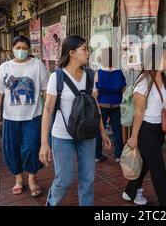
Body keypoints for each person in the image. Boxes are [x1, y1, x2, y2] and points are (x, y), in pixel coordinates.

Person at [39, 35, 111, 206]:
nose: (88, 53)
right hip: (62, 135)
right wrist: (44, 142)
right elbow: (47, 110)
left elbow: (95, 106)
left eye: (88, 49)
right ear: (71, 52)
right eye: (84, 49)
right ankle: (51, 203)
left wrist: (102, 131)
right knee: (64, 179)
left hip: (87, 133)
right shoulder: (57, 77)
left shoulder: (90, 75)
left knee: (88, 179)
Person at [123, 44, 166, 206]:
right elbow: (139, 112)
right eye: (165, 56)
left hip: (160, 129)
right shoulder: (143, 82)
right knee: (158, 172)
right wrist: (134, 137)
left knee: (145, 163)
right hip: (145, 130)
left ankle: (130, 192)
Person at [0, 35, 49, 197]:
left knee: (31, 148)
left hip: (33, 118)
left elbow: (46, 93)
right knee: (12, 149)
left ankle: (31, 178)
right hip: (10, 119)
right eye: (18, 48)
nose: (21, 51)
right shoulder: (4, 68)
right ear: (13, 49)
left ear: (28, 49)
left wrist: (50, 114)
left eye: (24, 48)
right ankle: (18, 179)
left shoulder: (37, 65)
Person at [94, 47, 127, 163]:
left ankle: (97, 155)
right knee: (117, 130)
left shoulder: (98, 72)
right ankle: (118, 155)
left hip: (102, 106)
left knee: (99, 130)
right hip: (116, 105)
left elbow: (95, 92)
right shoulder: (119, 72)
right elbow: (124, 88)